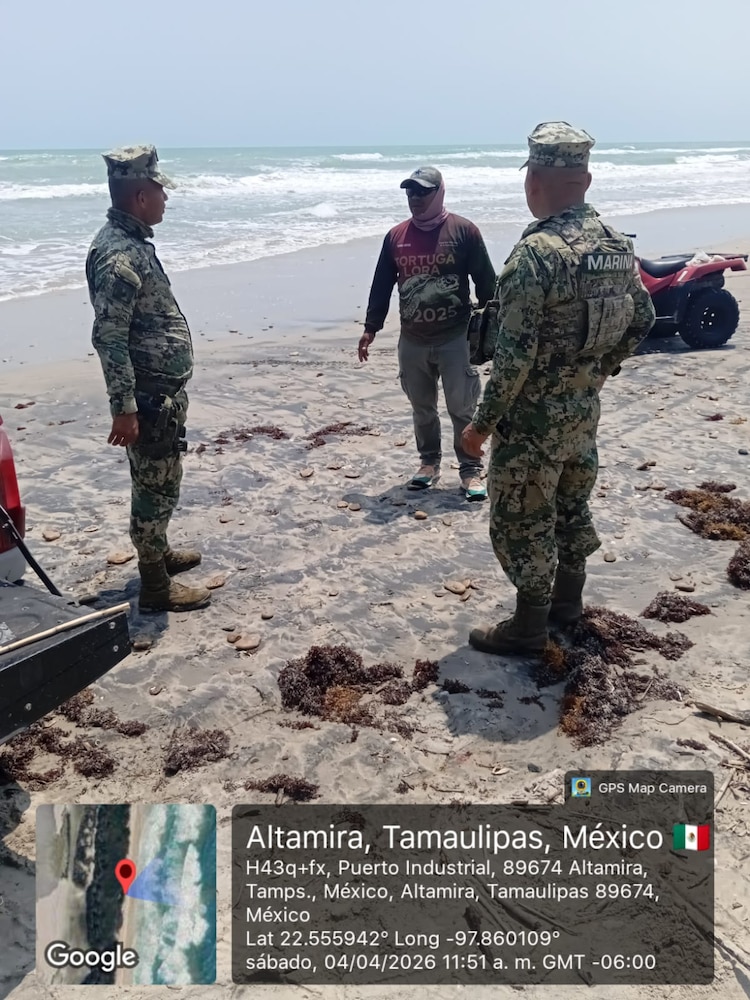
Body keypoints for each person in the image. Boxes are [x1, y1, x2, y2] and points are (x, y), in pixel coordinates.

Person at [461, 122, 656, 655]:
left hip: (531, 421)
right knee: (572, 507)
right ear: (586, 180)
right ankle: (568, 605)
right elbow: (643, 320)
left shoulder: (537, 255)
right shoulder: (616, 247)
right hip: (582, 413)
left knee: (523, 517)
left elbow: (514, 356)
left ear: (535, 182)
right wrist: (593, 372)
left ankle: (528, 627)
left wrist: (481, 426)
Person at [87, 145, 211, 613]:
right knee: (154, 488)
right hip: (148, 398)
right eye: (160, 191)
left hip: (161, 393)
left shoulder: (133, 244)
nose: (165, 200)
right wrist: (124, 407)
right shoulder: (119, 256)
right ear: (140, 196)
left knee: (162, 480)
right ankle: (156, 587)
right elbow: (109, 338)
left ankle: (157, 553)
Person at [359, 167, 496, 501]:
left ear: (440, 192)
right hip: (413, 340)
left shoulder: (464, 232)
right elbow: (381, 284)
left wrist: (492, 327)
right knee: (422, 407)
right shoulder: (396, 237)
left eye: (422, 192)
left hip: (455, 338)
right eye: (410, 193)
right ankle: (428, 464)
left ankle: (470, 470)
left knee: (462, 408)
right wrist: (370, 328)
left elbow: (487, 283)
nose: (415, 199)